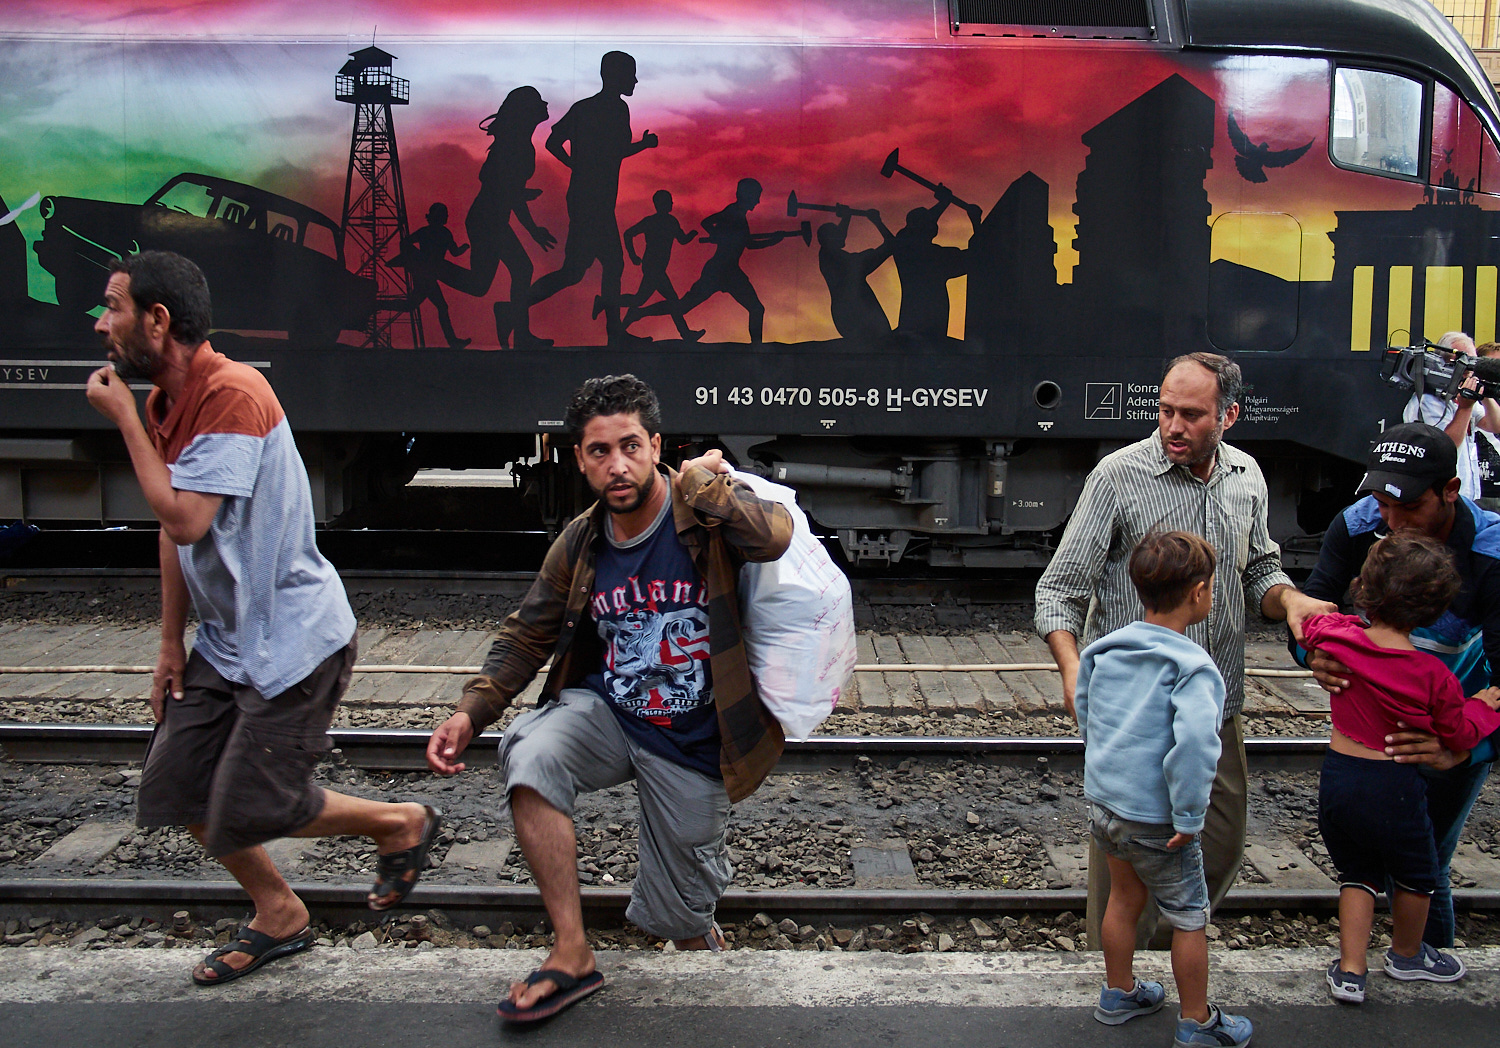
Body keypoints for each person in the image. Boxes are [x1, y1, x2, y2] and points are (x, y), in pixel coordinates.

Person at [83, 251, 437, 986]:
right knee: (176, 790)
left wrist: (120, 419)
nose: (100, 323)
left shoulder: (233, 394)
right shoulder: (168, 402)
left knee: (251, 807)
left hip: (293, 640)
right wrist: (168, 644)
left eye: (112, 306)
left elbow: (183, 519)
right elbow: (168, 528)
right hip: (225, 640)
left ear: (158, 320)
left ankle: (399, 823)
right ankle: (279, 911)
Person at [424, 375, 792, 1023]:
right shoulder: (583, 541)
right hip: (612, 715)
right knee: (529, 750)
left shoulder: (703, 513)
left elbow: (775, 535)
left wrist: (702, 482)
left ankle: (693, 934)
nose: (616, 466)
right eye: (599, 452)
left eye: (630, 446)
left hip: (695, 739)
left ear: (656, 446)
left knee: (681, 917)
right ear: (580, 459)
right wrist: (470, 710)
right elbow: (528, 630)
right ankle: (571, 953)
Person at [1034, 351, 1334, 951]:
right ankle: (1118, 976)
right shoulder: (1117, 477)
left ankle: (1157, 948)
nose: (1172, 425)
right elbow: (1059, 591)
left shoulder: (1247, 475)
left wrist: (1293, 602)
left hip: (1215, 705)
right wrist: (1072, 671)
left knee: (1220, 844)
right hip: (1133, 714)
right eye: (1167, 410)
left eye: (1191, 415)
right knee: (1121, 868)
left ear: (1229, 416)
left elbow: (1260, 572)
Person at [1293, 421, 1500, 950]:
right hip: (1379, 738)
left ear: (1450, 492)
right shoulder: (1359, 523)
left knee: (1430, 859)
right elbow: (1312, 607)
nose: (1391, 520)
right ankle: (1411, 965)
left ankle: (1425, 970)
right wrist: (1312, 655)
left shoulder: (1492, 551)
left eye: (1408, 508)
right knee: (1402, 864)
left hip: (1453, 729)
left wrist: (1465, 748)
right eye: (1383, 503)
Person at [1305, 531, 1500, 1004]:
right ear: (1436, 611)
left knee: (1357, 871)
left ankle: (1351, 970)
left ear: (1363, 589)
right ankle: (1407, 954)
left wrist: (1339, 625)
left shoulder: (1340, 638)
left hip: (1338, 781)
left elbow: (1313, 626)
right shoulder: (1432, 674)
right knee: (1418, 875)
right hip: (1393, 786)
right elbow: (1455, 734)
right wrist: (1484, 706)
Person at [1078, 529, 1252, 1048]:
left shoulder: (1106, 649)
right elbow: (1196, 747)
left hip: (1106, 805)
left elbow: (1088, 715)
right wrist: (1190, 816)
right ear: (1199, 593)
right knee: (1188, 916)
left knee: (1123, 899)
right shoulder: (1193, 667)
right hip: (1157, 820)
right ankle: (1197, 1021)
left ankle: (1119, 992)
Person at [527, 52, 658, 346]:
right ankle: (614, 334)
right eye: (630, 74)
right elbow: (615, 152)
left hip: (590, 198)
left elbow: (553, 142)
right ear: (614, 76)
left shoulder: (585, 108)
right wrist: (643, 145)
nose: (635, 80)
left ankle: (514, 310)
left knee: (579, 270)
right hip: (592, 201)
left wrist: (576, 165)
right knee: (606, 264)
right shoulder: (615, 110)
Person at [437, 86, 556, 348]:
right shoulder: (515, 146)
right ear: (527, 112)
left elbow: (503, 188)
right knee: (522, 269)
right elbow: (503, 189)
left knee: (479, 284)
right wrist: (533, 228)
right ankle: (521, 334)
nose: (545, 105)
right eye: (538, 102)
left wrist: (521, 193)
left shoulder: (519, 144)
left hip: (489, 219)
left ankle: (431, 266)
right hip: (487, 220)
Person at [627, 178, 802, 344]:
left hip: (731, 271)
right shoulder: (732, 212)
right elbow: (707, 222)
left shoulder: (740, 215)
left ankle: (756, 348)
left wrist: (775, 239)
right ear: (747, 195)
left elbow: (748, 244)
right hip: (717, 271)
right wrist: (718, 234)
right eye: (756, 196)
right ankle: (640, 312)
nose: (757, 201)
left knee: (756, 308)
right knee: (683, 307)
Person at [1402, 330, 1500, 500]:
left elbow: (1495, 425)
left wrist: (1484, 392)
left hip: (1468, 496)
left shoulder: (1461, 397)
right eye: (1463, 362)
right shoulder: (1426, 401)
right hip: (1440, 498)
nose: (1468, 369)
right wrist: (1465, 408)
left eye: (1472, 361)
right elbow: (1446, 449)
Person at [607, 189, 702, 342]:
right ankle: (686, 334)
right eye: (669, 201)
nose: (672, 203)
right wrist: (632, 255)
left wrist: (692, 234)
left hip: (657, 268)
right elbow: (628, 234)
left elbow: (682, 239)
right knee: (667, 300)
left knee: (642, 299)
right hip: (652, 267)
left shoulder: (672, 222)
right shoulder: (651, 221)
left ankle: (620, 316)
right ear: (660, 204)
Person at [817, 204, 894, 344]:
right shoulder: (852, 263)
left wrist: (847, 217)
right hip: (861, 314)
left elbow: (838, 238)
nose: (842, 235)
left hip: (845, 315)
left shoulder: (825, 257)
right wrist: (877, 222)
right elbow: (891, 245)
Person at [400, 202, 471, 348]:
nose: (447, 217)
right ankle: (453, 342)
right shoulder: (442, 233)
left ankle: (377, 305)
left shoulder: (427, 232)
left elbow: (405, 242)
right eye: (444, 215)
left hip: (426, 275)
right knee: (438, 306)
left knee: (412, 305)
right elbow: (455, 252)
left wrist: (414, 259)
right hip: (426, 276)